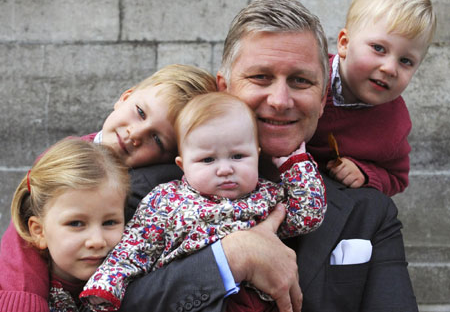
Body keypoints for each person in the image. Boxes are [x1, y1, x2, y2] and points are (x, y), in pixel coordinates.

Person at [116, 0, 419, 312]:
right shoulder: (143, 192)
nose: (280, 100)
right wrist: (230, 259)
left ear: (322, 98)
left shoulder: (369, 214)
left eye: (300, 81)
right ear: (225, 88)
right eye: (260, 77)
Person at [80, 92, 326, 312]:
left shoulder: (268, 196)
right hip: (198, 296)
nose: (225, 169)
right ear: (182, 165)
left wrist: (296, 165)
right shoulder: (166, 200)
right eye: (208, 160)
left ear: (257, 154)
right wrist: (107, 286)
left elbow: (306, 217)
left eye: (239, 156)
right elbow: (135, 248)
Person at [0, 64, 217, 312]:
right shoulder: (66, 158)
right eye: (140, 112)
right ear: (125, 96)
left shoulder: (162, 187)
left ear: (173, 158)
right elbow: (22, 241)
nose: (135, 133)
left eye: (157, 139)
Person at [307, 0, 437, 197]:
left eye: (406, 60)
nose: (390, 68)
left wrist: (366, 174)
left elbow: (397, 178)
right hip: (273, 182)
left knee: (379, 209)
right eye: (378, 48)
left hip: (334, 201)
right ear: (344, 44)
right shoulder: (308, 77)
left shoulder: (394, 124)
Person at [0, 138, 129, 311]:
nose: (97, 241)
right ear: (39, 232)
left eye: (110, 222)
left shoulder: (132, 279)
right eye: (76, 223)